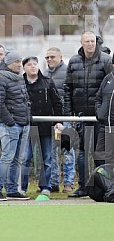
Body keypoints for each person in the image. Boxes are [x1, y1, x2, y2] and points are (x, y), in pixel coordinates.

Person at [64, 31, 112, 198]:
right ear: (82, 42)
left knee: (101, 153)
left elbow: (109, 89)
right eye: (87, 41)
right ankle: (83, 186)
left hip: (101, 117)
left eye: (93, 41)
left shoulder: (106, 61)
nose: (90, 44)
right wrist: (69, 114)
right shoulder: (74, 61)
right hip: (81, 116)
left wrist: (103, 113)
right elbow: (67, 88)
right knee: (82, 152)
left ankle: (104, 187)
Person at [0, 50, 31, 201]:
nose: (20, 65)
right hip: (10, 125)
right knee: (7, 157)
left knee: (17, 159)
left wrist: (27, 119)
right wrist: (10, 122)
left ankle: (12, 189)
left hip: (23, 124)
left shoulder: (19, 79)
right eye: (17, 62)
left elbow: (25, 100)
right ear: (8, 64)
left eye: (20, 61)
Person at [21, 56, 63, 196]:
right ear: (24, 67)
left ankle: (46, 186)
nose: (33, 66)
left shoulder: (47, 82)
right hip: (28, 126)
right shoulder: (20, 83)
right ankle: (22, 187)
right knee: (25, 158)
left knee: (47, 158)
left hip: (46, 126)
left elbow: (57, 102)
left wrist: (59, 121)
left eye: (35, 64)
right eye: (29, 64)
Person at [43, 47, 76, 193]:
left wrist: (71, 115)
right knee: (51, 152)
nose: (50, 60)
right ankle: (53, 182)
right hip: (50, 119)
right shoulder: (44, 74)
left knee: (67, 151)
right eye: (47, 57)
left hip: (66, 119)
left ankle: (68, 183)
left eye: (52, 57)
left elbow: (73, 94)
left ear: (61, 57)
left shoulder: (68, 73)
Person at [94, 69, 114, 166]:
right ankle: (106, 181)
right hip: (105, 126)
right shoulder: (107, 79)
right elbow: (98, 98)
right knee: (99, 158)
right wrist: (100, 113)